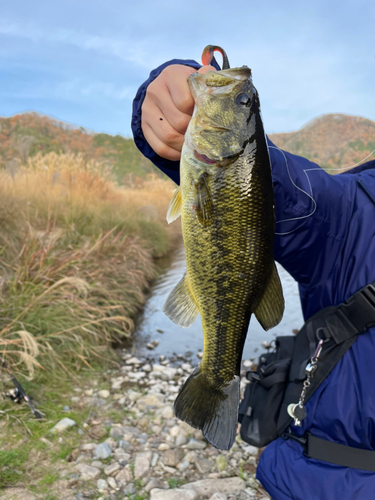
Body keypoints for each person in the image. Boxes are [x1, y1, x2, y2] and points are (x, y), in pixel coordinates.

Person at [132, 56, 375, 500]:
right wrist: (172, 96)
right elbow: (291, 191)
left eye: (244, 101)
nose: (240, 94)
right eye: (245, 103)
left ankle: (216, 376)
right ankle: (217, 377)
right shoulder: (357, 208)